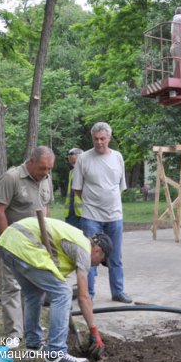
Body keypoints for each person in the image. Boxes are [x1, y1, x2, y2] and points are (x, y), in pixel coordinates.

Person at [0, 216, 110, 362]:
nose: (97, 265)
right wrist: (94, 331)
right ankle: (55, 355)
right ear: (97, 250)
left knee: (33, 294)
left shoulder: (76, 241)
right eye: (101, 260)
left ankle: (34, 346)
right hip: (23, 244)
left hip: (8, 242)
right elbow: (83, 297)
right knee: (63, 293)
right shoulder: (84, 249)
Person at [0, 146, 55, 348]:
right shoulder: (11, 178)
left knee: (35, 288)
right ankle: (14, 333)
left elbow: (46, 208)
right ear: (31, 161)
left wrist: (47, 238)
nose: (45, 173)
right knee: (12, 286)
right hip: (15, 243)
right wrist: (9, 240)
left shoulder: (46, 179)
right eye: (42, 168)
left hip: (36, 244)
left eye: (49, 169)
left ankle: (32, 329)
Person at [72, 122, 132, 303]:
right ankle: (87, 294)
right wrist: (93, 202)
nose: (99, 142)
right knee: (89, 256)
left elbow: (119, 186)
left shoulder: (117, 157)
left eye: (103, 139)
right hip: (91, 216)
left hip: (114, 215)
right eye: (96, 139)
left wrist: (108, 201)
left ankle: (118, 291)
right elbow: (78, 188)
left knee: (116, 256)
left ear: (109, 138)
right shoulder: (84, 159)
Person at [64, 148, 84, 228]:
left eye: (71, 154)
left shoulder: (86, 171)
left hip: (82, 214)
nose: (69, 157)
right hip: (70, 213)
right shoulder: (71, 172)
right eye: (69, 155)